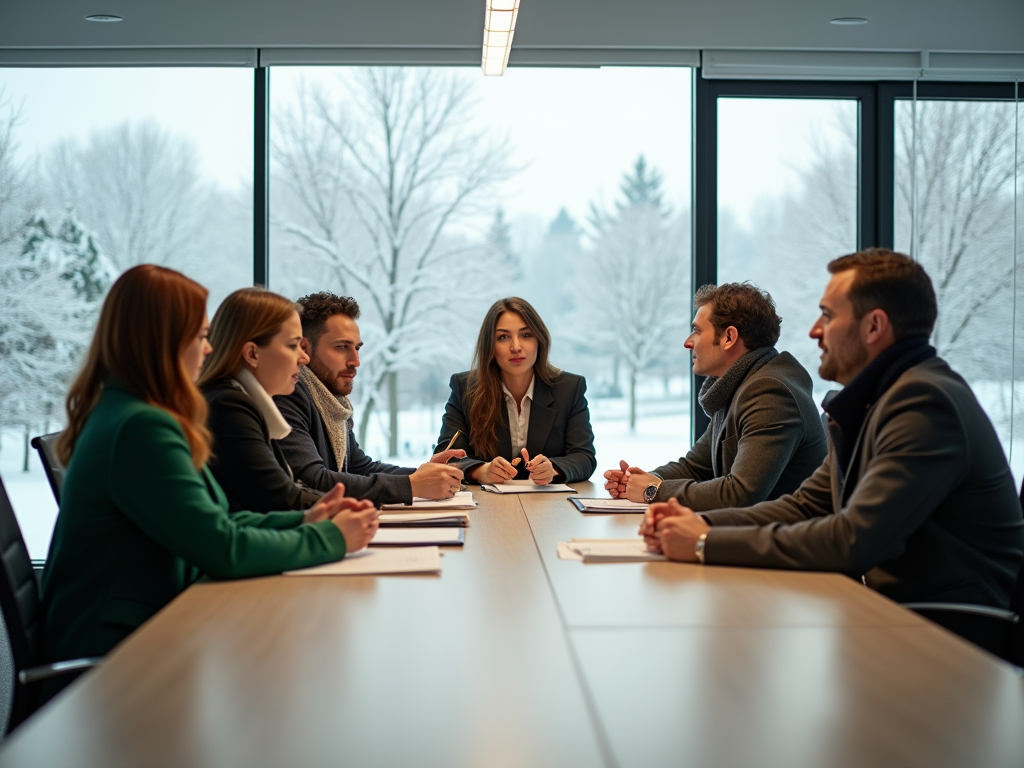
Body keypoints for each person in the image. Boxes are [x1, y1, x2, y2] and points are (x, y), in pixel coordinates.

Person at [41, 265, 378, 677]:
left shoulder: (137, 414)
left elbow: (218, 521)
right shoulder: (140, 427)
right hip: (120, 656)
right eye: (201, 337)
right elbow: (221, 546)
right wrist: (327, 538)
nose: (209, 349)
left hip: (156, 624)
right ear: (160, 341)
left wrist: (304, 519)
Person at [642, 249, 1024, 608]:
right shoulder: (879, 399)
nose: (813, 331)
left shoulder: (924, 403)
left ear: (874, 326)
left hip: (950, 635)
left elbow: (852, 539)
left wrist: (706, 542)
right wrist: (698, 522)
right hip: (896, 615)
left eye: (827, 316)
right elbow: (807, 506)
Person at [604, 283, 826, 509]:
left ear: (729, 337)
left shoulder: (769, 392)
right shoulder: (739, 383)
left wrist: (653, 491)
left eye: (697, 330)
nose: (688, 342)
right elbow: (696, 467)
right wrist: (641, 481)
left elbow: (740, 493)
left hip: (779, 540)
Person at [274, 292, 465, 506]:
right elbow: (312, 481)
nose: (355, 361)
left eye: (356, 348)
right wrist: (412, 485)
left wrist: (424, 473)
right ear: (305, 348)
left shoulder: (332, 401)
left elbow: (360, 467)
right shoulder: (288, 393)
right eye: (341, 347)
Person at [435, 297, 596, 485]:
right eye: (503, 337)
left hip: (548, 506)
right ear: (490, 346)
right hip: (487, 508)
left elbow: (584, 457)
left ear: (539, 340)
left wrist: (553, 469)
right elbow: (446, 458)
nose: (516, 347)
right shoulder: (465, 388)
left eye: (526, 335)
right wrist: (482, 471)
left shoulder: (569, 388)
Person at [198, 287, 321, 513]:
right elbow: (280, 498)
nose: (304, 358)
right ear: (252, 354)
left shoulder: (235, 399)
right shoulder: (229, 406)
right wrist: (354, 508)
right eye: (293, 345)